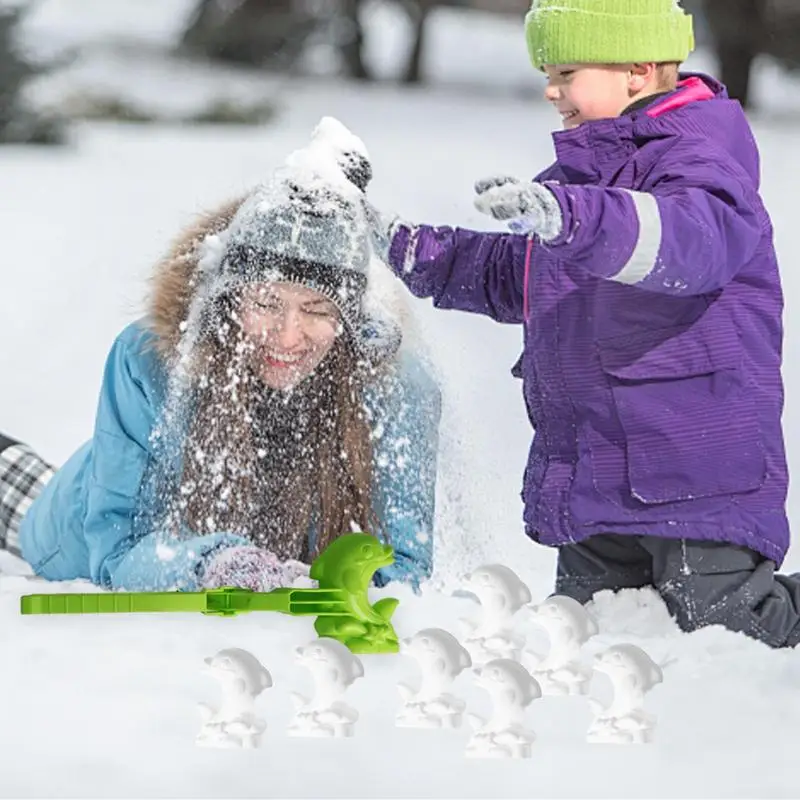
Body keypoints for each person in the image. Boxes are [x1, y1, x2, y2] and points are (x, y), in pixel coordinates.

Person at [370, 0, 800, 646]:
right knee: (586, 635)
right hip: (593, 471)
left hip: (695, 472)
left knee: (726, 622)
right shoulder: (574, 184)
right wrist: (399, 244)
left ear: (636, 70)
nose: (550, 88)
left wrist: (571, 218)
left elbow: (689, 243)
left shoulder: (703, 162)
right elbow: (510, 274)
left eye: (566, 71)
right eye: (548, 71)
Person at [0, 119, 441, 593]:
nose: (288, 337)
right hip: (73, 522)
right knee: (26, 493)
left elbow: (405, 567)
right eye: (267, 304)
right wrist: (208, 564)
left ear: (351, 319)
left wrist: (337, 582)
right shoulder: (151, 361)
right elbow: (116, 550)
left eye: (316, 309)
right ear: (230, 300)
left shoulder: (398, 389)